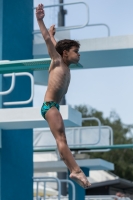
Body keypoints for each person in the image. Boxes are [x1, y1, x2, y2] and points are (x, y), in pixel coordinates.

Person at [36, 3, 91, 189]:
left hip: (54, 106)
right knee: (61, 139)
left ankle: (73, 169)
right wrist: (40, 20)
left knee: (62, 139)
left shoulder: (64, 64)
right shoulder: (57, 60)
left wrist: (53, 35)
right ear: (65, 53)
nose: (79, 55)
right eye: (76, 51)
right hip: (49, 106)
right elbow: (47, 41)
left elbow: (52, 41)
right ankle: (75, 170)